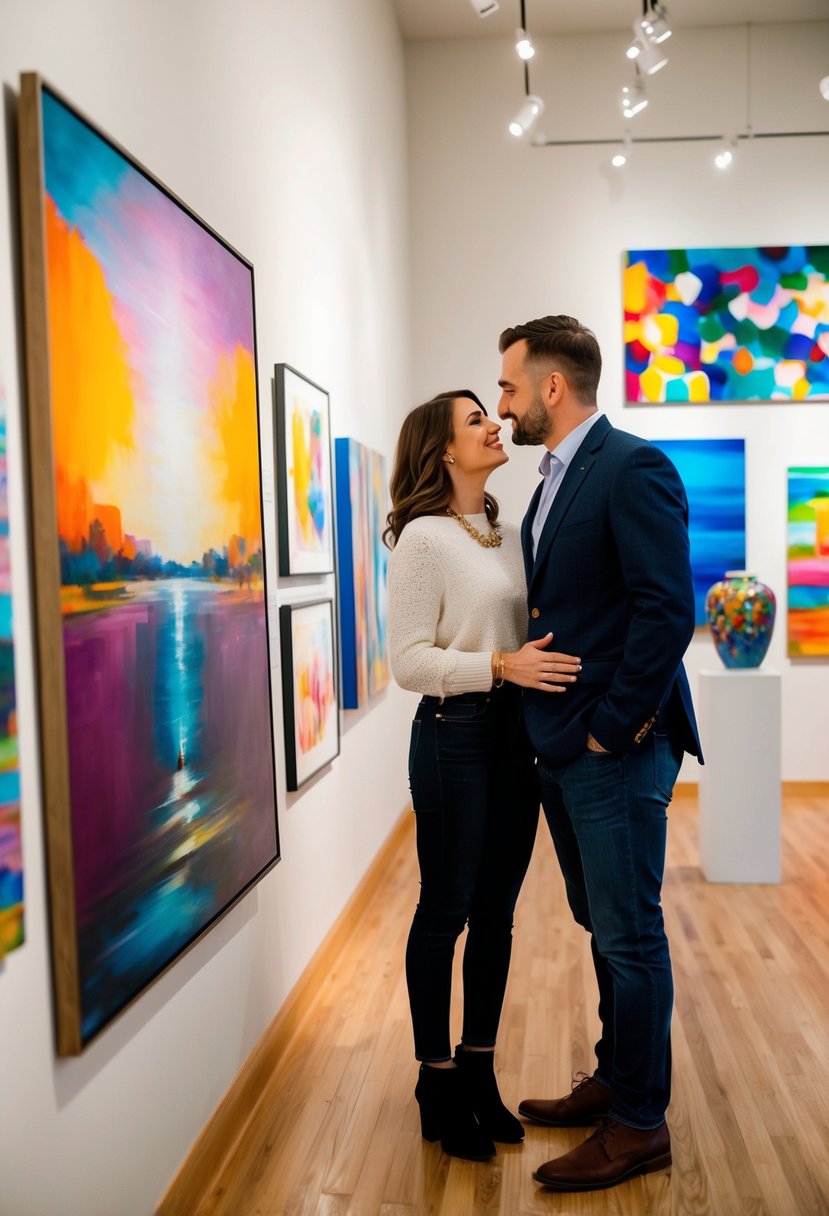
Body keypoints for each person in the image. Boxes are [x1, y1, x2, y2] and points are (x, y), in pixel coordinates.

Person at [496, 316, 702, 1193]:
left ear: (551, 388)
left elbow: (666, 609)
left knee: (629, 936)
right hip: (568, 748)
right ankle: (617, 1076)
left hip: (614, 748)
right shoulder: (552, 479)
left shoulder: (630, 466)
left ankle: (639, 1125)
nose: (499, 403)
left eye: (507, 387)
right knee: (603, 930)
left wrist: (611, 725)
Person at [385, 389, 581, 1162]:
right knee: (446, 909)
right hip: (452, 735)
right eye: (476, 420)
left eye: (489, 414)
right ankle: (435, 1080)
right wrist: (498, 665)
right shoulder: (423, 541)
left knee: (496, 915)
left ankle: (477, 1072)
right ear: (442, 451)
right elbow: (406, 662)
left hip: (512, 737)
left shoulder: (507, 529)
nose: (495, 425)